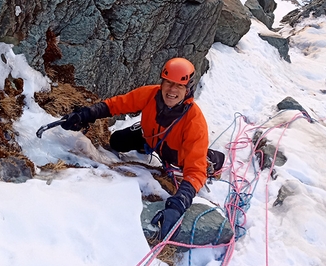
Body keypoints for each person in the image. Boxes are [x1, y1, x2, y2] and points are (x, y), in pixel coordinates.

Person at [61, 57, 225, 239]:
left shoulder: (195, 122)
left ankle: (212, 157)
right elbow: (118, 103)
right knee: (117, 141)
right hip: (151, 138)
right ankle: (145, 136)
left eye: (179, 85)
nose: (172, 90)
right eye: (168, 83)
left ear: (188, 90)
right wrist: (86, 114)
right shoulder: (151, 95)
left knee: (197, 160)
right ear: (162, 83)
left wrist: (178, 205)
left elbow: (195, 172)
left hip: (176, 155)